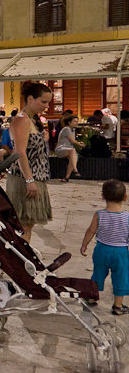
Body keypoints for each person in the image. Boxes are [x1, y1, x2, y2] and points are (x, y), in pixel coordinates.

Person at [7, 81, 53, 245]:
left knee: (27, 225)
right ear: (30, 99)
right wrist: (29, 180)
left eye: (48, 102)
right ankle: (20, 262)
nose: (46, 106)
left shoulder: (30, 120)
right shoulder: (22, 120)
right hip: (25, 178)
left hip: (33, 176)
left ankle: (23, 260)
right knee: (23, 225)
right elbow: (20, 152)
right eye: (43, 102)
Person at [81, 180, 129, 315]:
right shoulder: (127, 217)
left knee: (98, 273)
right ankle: (118, 306)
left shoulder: (99, 214)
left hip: (102, 250)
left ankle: (91, 297)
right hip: (121, 252)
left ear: (103, 196)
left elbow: (91, 230)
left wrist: (84, 244)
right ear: (125, 197)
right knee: (121, 276)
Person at [55, 114, 84, 182]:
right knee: (73, 151)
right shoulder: (66, 129)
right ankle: (75, 169)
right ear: (69, 122)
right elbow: (73, 141)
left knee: (73, 156)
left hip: (69, 149)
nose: (76, 123)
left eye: (77, 121)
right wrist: (81, 144)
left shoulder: (73, 130)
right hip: (61, 149)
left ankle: (66, 177)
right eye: (74, 121)